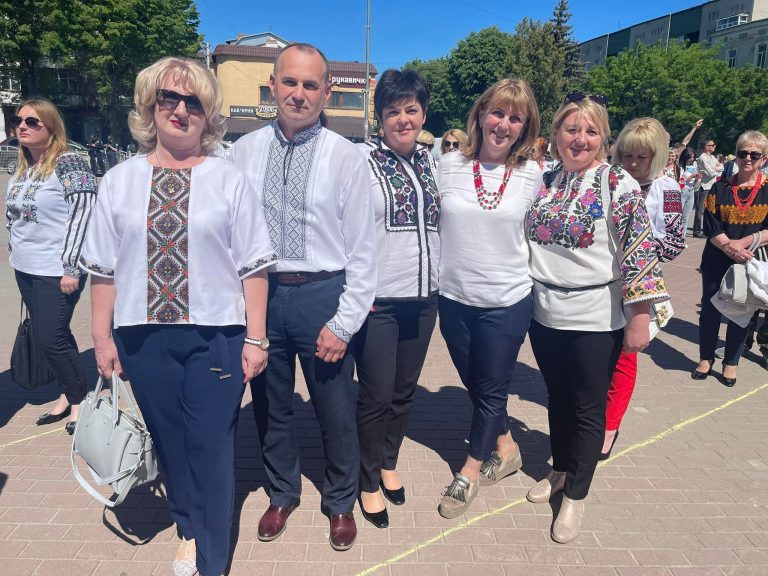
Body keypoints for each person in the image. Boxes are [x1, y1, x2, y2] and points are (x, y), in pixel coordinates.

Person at [80, 57, 275, 576]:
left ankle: (212, 560)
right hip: (143, 339)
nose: (181, 110)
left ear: (208, 115)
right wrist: (102, 338)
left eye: (194, 102)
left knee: (211, 445)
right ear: (150, 106)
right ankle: (187, 527)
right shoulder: (118, 181)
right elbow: (103, 269)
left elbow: (254, 266)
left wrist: (257, 338)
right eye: (169, 97)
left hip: (217, 336)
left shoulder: (229, 180)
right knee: (169, 441)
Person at [230, 43, 377, 551]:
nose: (298, 93)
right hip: (262, 296)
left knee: (334, 407)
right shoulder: (243, 152)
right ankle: (282, 492)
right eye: (289, 82)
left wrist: (344, 322)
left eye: (310, 84)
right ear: (273, 86)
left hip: (322, 295)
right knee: (270, 405)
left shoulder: (347, 157)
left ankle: (340, 500)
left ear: (326, 92)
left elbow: (364, 251)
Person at [525, 94, 668, 543]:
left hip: (595, 318)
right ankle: (560, 470)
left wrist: (640, 316)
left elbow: (639, 250)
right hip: (544, 313)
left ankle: (576, 495)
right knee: (558, 398)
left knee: (588, 408)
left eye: (590, 131)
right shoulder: (545, 181)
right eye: (571, 129)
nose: (580, 139)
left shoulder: (616, 182)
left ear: (603, 138)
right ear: (556, 135)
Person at [436, 78, 543, 519]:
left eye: (515, 118)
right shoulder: (447, 165)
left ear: (525, 127)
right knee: (477, 385)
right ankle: (507, 446)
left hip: (507, 300)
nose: (503, 124)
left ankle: (470, 471)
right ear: (480, 114)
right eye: (497, 112)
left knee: (492, 389)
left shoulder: (533, 175)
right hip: (454, 298)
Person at [355, 69, 439, 529]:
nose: (403, 119)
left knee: (404, 392)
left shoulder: (434, 162)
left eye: (411, 109)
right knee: (376, 394)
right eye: (393, 111)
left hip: (424, 299)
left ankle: (389, 461)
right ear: (380, 118)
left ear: (423, 114)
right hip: (379, 300)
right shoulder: (361, 162)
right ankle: (367, 480)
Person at [5, 97, 96, 435]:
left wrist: (72, 266)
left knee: (50, 337)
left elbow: (83, 212)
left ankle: (80, 400)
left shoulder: (69, 162)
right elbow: (13, 214)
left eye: (32, 122)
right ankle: (66, 393)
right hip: (25, 267)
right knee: (55, 334)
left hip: (56, 269)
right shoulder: (25, 166)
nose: (22, 127)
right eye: (18, 121)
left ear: (51, 126)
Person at [602, 117, 685, 459]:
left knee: (625, 355)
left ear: (657, 156)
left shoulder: (668, 190)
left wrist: (637, 243)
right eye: (627, 155)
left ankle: (610, 426)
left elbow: (676, 243)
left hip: (638, 285)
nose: (632, 164)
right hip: (599, 280)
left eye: (641, 157)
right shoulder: (608, 180)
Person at [692, 130, 768, 387]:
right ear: (736, 155)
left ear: (763, 159)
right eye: (743, 153)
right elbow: (711, 224)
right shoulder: (720, 187)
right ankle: (705, 358)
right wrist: (729, 247)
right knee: (710, 309)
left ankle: (731, 362)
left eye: (755, 154)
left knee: (742, 310)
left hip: (749, 258)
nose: (748, 158)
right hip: (717, 257)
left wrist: (744, 244)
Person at [693, 139, 722, 238]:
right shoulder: (702, 158)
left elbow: (721, 167)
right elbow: (711, 173)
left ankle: (706, 230)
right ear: (707, 147)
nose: (714, 146)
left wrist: (715, 168)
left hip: (712, 185)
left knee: (710, 209)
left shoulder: (712, 157)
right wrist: (715, 169)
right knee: (700, 209)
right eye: (712, 145)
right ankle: (696, 230)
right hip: (704, 186)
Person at [678, 147, 700, 236]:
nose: (691, 159)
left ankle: (682, 236)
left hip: (691, 191)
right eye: (690, 157)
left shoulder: (693, 167)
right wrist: (691, 176)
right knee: (678, 215)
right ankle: (676, 234)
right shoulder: (680, 167)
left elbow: (696, 184)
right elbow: (680, 181)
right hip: (682, 191)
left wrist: (697, 178)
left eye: (693, 157)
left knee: (685, 216)